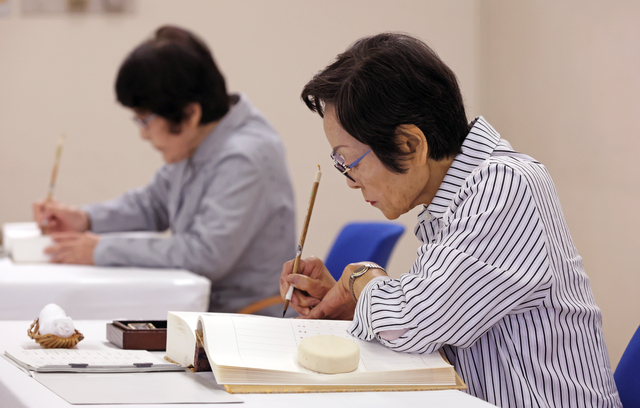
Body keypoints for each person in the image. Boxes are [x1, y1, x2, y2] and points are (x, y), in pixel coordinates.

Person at [280, 33, 621, 407]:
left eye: (349, 162)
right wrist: (351, 301)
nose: (349, 181)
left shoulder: (506, 186)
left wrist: (362, 278)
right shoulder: (459, 198)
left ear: (411, 145)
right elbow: (426, 317)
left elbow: (412, 324)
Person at [33, 25, 296, 314]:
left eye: (144, 120)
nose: (143, 134)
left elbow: (204, 254)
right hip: (198, 306)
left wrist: (100, 250)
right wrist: (85, 219)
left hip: (245, 320)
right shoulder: (198, 137)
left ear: (189, 113)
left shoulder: (246, 157)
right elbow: (152, 204)